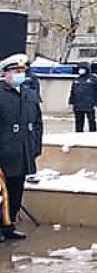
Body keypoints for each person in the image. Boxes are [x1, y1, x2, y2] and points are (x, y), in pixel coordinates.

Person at [0, 54, 42, 242]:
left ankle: (9, 225)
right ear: (5, 73)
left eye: (22, 71)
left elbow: (37, 123)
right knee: (1, 193)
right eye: (15, 71)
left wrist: (35, 147)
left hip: (23, 151)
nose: (19, 74)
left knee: (16, 191)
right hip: (4, 152)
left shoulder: (29, 93)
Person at [68, 64, 97, 133]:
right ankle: (78, 133)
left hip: (89, 105)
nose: (80, 70)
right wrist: (71, 102)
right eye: (79, 69)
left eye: (82, 69)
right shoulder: (76, 80)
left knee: (91, 121)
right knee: (78, 122)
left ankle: (93, 133)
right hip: (78, 105)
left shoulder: (94, 80)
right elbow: (72, 92)